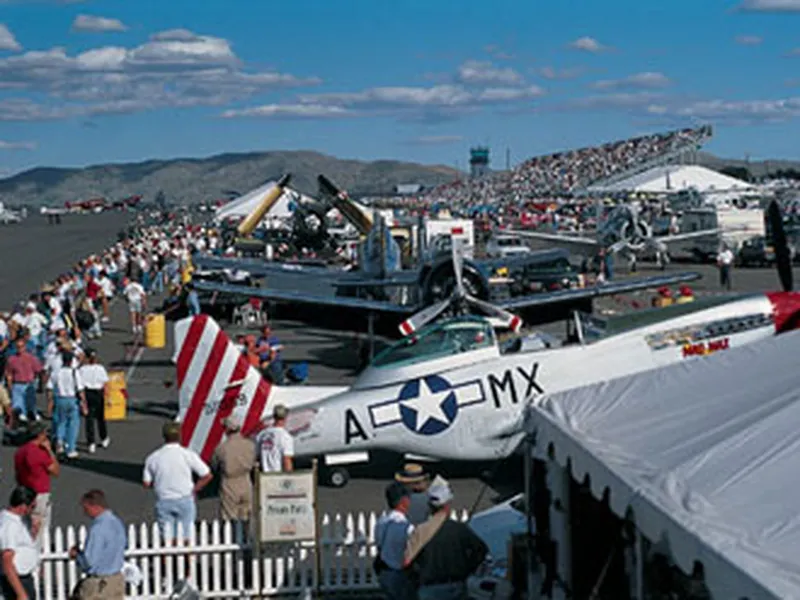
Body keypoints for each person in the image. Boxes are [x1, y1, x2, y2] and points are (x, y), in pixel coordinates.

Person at [405, 476, 488, 600]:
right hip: (456, 586)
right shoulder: (458, 529)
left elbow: (408, 562)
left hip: (429, 588)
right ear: (447, 506)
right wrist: (468, 569)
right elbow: (481, 549)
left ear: (430, 506)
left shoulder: (421, 531)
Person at [143, 422, 213, 544]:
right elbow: (207, 475)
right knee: (187, 536)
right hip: (185, 498)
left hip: (164, 499)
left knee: (167, 538)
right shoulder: (187, 454)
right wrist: (195, 489)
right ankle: (188, 561)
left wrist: (159, 484)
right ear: (180, 435)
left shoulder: (153, 457)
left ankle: (168, 561)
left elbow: (146, 482)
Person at [68, 490, 127, 600]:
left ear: (94, 506)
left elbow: (89, 562)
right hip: (116, 579)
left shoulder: (98, 528)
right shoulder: (117, 523)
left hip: (99, 585)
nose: (84, 513)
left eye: (86, 509)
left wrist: (76, 555)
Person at [14, 423, 59, 545]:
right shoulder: (39, 452)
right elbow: (55, 470)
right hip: (40, 492)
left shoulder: (20, 452)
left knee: (26, 524)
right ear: (40, 435)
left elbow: (17, 474)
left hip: (24, 491)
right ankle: (38, 551)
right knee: (41, 525)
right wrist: (50, 451)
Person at [374, 482, 416, 600]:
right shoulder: (406, 527)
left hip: (384, 572)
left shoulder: (381, 522)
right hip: (400, 575)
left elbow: (378, 544)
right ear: (404, 501)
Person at [211, 415, 255, 523]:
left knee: (229, 517)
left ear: (227, 429)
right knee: (246, 515)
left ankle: (233, 537)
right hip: (246, 480)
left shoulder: (221, 448)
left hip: (229, 482)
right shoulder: (250, 445)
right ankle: (245, 538)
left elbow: (214, 465)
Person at [0, 486, 40, 600]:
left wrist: (33, 532)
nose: (33, 510)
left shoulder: (18, 520)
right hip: (17, 580)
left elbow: (22, 546)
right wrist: (21, 594)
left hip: (24, 578)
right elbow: (7, 560)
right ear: (23, 506)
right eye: (33, 506)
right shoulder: (9, 525)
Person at [46, 351, 87, 459]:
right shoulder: (74, 372)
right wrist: (84, 403)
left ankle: (60, 442)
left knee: (61, 421)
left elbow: (49, 387)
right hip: (72, 399)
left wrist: (50, 401)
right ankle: (71, 448)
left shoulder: (56, 372)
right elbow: (80, 389)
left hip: (60, 398)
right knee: (73, 424)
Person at [4, 337, 43, 424]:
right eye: (18, 347)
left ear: (25, 347)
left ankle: (33, 418)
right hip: (17, 384)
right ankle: (21, 420)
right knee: (18, 407)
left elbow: (38, 370)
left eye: (21, 347)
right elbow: (9, 373)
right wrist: (10, 386)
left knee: (31, 404)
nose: (20, 349)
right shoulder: (12, 359)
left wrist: (36, 382)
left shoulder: (31, 358)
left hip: (29, 384)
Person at [79, 349, 110, 453]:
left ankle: (91, 442)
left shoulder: (82, 369)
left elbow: (81, 386)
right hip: (98, 393)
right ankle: (104, 437)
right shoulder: (100, 368)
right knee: (101, 417)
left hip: (88, 393)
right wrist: (108, 398)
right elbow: (105, 384)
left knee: (89, 419)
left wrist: (82, 402)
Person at [255, 404, 294, 473]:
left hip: (263, 477)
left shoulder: (262, 434)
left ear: (274, 417)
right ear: (285, 417)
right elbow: (287, 461)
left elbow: (257, 457)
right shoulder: (286, 437)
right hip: (276, 478)